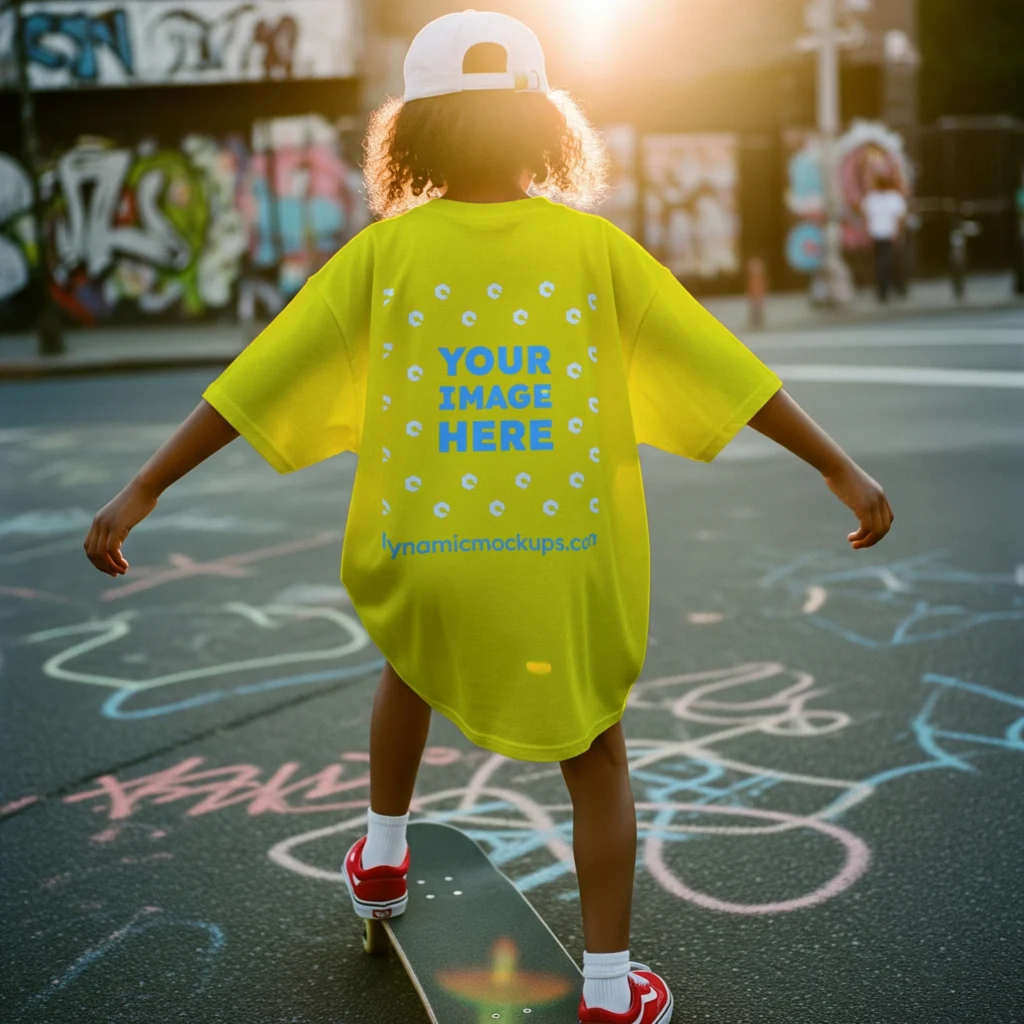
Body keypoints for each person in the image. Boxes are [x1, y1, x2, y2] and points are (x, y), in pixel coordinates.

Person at [83, 12, 894, 1023]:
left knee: (410, 663)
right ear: (542, 127)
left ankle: (381, 858)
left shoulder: (385, 256)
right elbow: (733, 378)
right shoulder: (597, 252)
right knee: (594, 754)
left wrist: (146, 486)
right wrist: (840, 468)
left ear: (411, 132)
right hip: (560, 560)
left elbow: (253, 384)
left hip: (428, 554)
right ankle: (607, 989)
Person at [861, 170, 909, 302]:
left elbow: (865, 218)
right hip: (890, 234)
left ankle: (883, 290)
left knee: (881, 262)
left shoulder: (871, 199)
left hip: (877, 234)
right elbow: (900, 218)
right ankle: (896, 288)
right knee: (890, 262)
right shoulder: (894, 198)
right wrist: (899, 233)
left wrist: (866, 233)